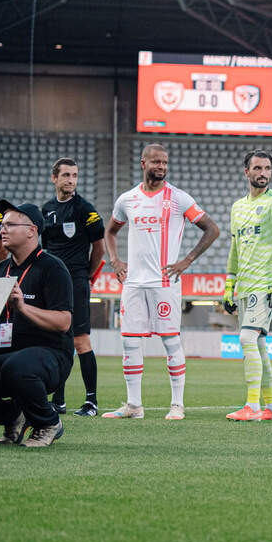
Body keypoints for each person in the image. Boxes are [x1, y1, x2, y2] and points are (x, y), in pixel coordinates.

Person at [102, 144, 219, 420]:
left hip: (164, 283)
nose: (162, 167)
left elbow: (211, 229)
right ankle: (133, 405)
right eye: (156, 162)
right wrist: (115, 260)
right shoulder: (127, 199)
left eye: (165, 163)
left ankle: (177, 404)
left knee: (170, 340)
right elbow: (110, 231)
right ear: (143, 163)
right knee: (130, 342)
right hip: (133, 283)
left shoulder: (178, 198)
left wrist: (186, 261)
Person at [0, 201, 74, 447]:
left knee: (17, 366)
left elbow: (64, 322)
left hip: (51, 354)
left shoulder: (53, 268)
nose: (3, 229)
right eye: (2, 225)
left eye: (10, 225)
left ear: (31, 230)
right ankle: (13, 417)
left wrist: (23, 307)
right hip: (8, 351)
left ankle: (48, 423)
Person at [223, 150, 272, 422]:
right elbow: (234, 248)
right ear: (247, 172)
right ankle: (271, 407)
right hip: (246, 285)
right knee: (259, 344)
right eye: (258, 168)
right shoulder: (238, 207)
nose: (263, 173)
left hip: (265, 284)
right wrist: (229, 285)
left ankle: (252, 405)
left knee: (246, 338)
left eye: (267, 168)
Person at [41, 157, 105, 417]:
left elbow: (99, 248)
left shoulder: (85, 209)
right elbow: (45, 248)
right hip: (53, 284)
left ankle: (91, 402)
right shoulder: (46, 210)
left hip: (77, 281)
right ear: (54, 178)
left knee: (80, 340)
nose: (71, 180)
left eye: (75, 175)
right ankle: (59, 399)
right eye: (66, 175)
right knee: (57, 339)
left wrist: (85, 275)